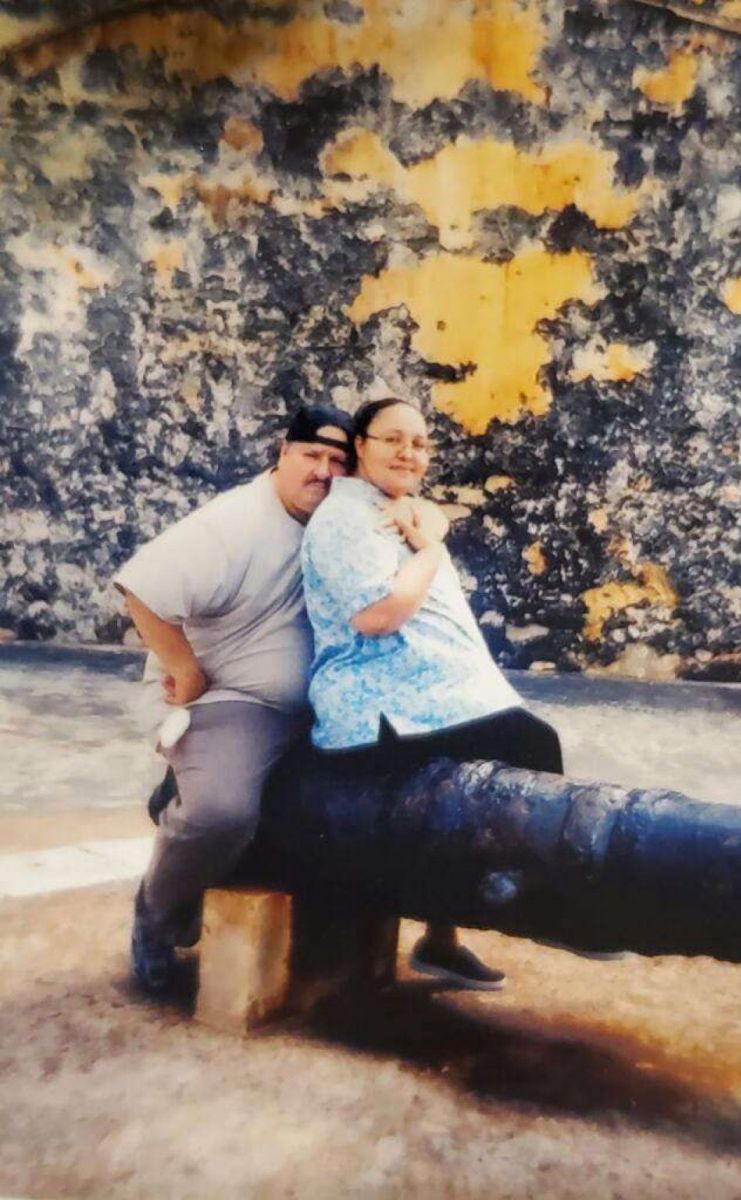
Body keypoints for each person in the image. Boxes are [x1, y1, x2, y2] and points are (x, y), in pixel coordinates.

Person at [300, 397, 564, 990]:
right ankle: (546, 909)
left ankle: (444, 939)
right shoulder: (345, 519)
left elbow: (425, 514)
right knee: (529, 743)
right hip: (378, 708)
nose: (409, 453)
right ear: (360, 445)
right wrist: (434, 550)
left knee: (476, 784)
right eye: (393, 440)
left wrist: (430, 524)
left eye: (419, 444)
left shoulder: (389, 506)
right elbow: (376, 614)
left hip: (423, 696)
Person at [115, 403, 353, 993]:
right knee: (221, 814)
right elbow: (141, 587)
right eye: (312, 455)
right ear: (283, 452)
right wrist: (184, 668)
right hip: (236, 699)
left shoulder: (341, 518)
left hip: (321, 702)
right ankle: (156, 918)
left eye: (338, 462)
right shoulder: (236, 522)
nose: (323, 471)